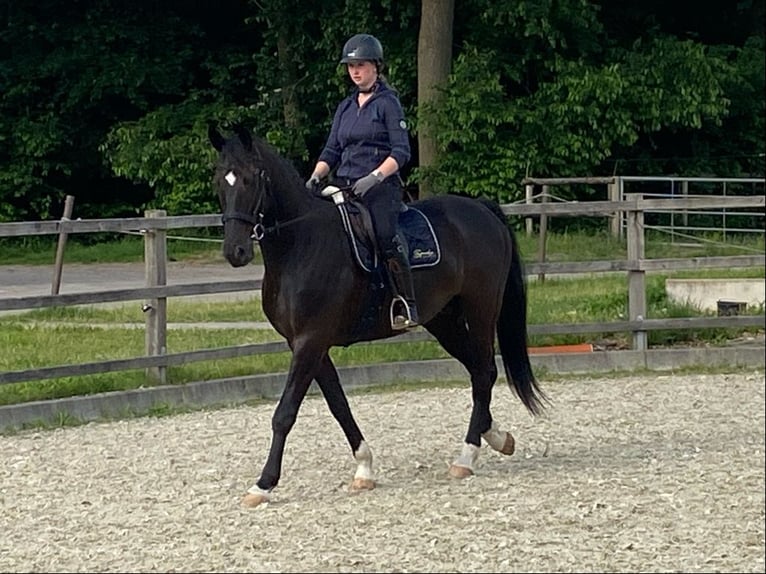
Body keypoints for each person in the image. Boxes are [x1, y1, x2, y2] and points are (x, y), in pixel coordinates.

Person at [305, 33, 419, 330]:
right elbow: (332, 150)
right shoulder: (345, 107)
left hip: (380, 186)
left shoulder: (388, 104)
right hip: (345, 184)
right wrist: (316, 175)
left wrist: (374, 177)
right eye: (351, 66)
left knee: (383, 233)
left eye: (361, 65)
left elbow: (401, 152)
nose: (355, 71)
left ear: (375, 67)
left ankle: (405, 302)